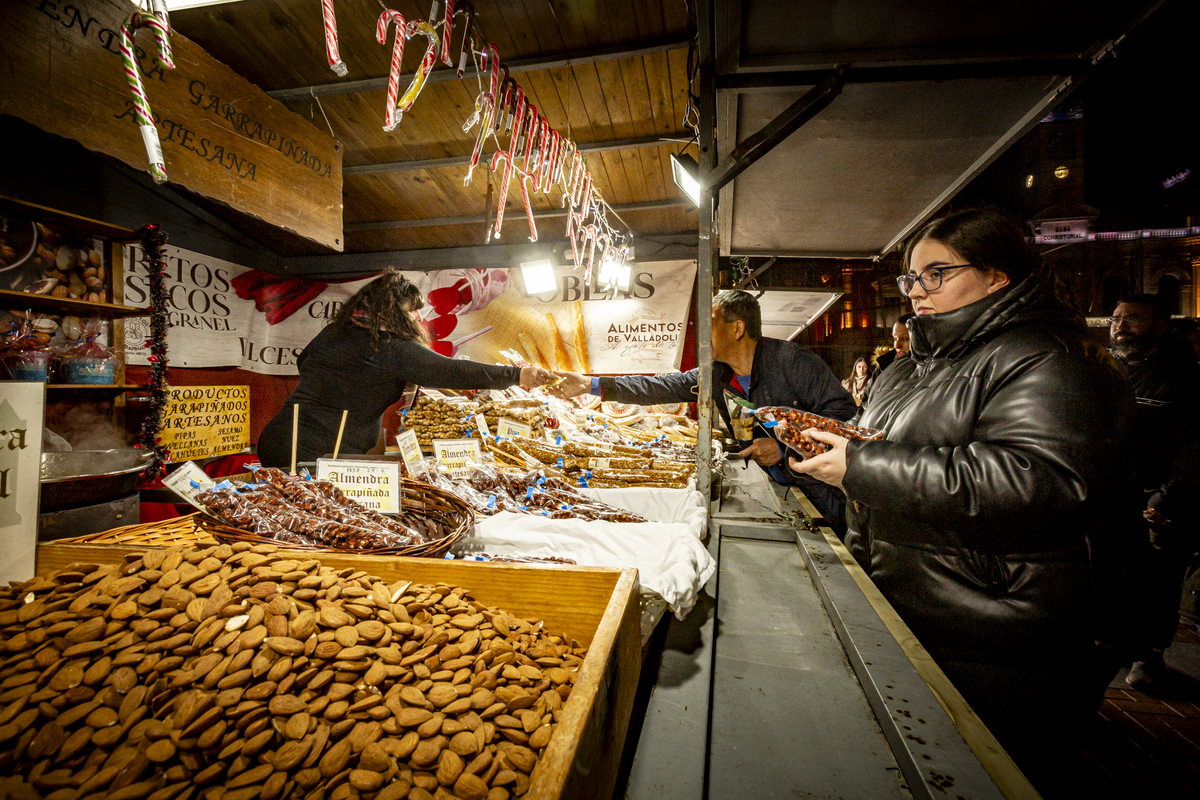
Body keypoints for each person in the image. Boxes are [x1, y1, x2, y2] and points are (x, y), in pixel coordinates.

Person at [785, 207, 1134, 797]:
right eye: (911, 279)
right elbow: (891, 452)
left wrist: (863, 467)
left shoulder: (1049, 356)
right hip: (909, 602)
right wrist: (846, 460)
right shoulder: (914, 366)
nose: (917, 292)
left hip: (1000, 636)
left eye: (937, 274)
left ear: (997, 276)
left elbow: (1039, 480)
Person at [551, 289, 856, 526]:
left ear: (737, 328)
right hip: (775, 488)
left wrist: (784, 446)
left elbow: (841, 412)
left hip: (820, 491)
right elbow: (659, 387)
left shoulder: (792, 361)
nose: (701, 335)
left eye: (710, 324)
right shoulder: (717, 374)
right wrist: (590, 384)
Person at [257, 270, 552, 467]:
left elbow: (304, 361)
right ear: (393, 312)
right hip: (315, 455)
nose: (418, 316)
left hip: (281, 437)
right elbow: (451, 372)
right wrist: (517, 375)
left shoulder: (334, 332)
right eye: (412, 309)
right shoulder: (390, 349)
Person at [1107, 294, 1200, 689]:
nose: (1120, 325)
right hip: (1111, 495)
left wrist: (1169, 496)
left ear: (1160, 325)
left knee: (1158, 582)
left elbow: (1194, 446)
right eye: (1116, 318)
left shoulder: (1185, 376)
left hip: (1156, 500)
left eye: (1132, 319)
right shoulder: (1107, 370)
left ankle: (1149, 657)